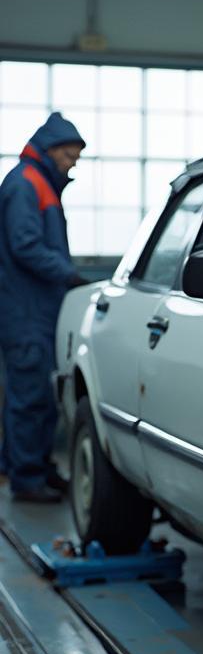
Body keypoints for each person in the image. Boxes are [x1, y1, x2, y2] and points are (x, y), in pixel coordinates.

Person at [0, 112, 86, 503]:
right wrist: (68, 275)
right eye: (69, 156)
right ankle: (27, 479)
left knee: (40, 393)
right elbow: (26, 246)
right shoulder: (26, 185)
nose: (72, 165)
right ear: (50, 151)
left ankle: (34, 466)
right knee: (30, 395)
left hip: (39, 309)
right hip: (25, 311)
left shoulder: (43, 184)